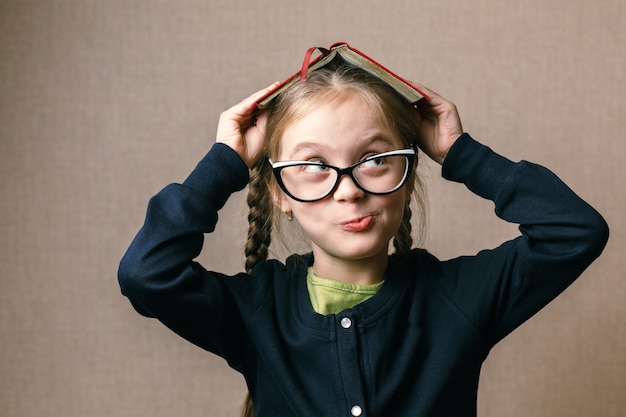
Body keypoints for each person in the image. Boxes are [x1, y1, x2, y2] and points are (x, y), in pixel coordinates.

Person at [118, 59, 609, 417]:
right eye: (312, 166)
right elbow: (147, 273)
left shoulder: (457, 298)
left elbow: (574, 232)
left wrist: (461, 153)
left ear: (410, 175)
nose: (349, 191)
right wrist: (224, 163)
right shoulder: (259, 310)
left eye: (374, 160)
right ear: (279, 193)